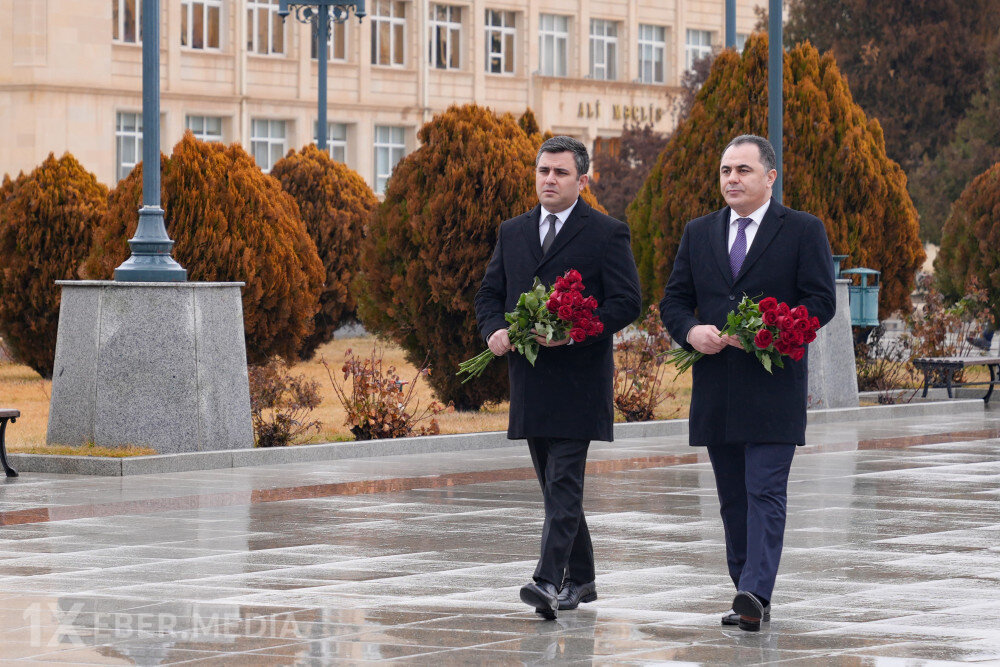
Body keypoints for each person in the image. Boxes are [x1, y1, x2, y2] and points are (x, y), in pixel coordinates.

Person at [659, 134, 836, 631]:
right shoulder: (698, 232)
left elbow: (820, 302)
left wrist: (768, 332)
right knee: (732, 498)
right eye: (725, 171)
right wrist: (691, 330)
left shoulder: (802, 230)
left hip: (773, 387)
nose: (731, 179)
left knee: (764, 490)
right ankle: (746, 591)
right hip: (717, 388)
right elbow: (674, 300)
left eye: (742, 170)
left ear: (770, 177)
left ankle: (756, 591)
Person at [475, 136, 641, 620]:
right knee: (554, 488)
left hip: (579, 381)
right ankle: (583, 579)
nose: (549, 179)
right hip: (530, 381)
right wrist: (494, 331)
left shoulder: (607, 233)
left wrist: (575, 332)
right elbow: (489, 294)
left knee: (564, 482)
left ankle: (547, 581)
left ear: (582, 181)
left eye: (560, 173)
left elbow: (626, 301)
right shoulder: (513, 231)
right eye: (543, 171)